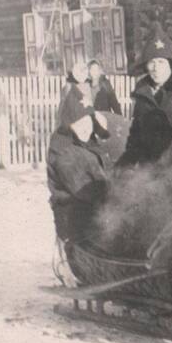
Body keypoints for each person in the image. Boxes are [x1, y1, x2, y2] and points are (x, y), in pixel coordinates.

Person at [46, 95, 110, 262]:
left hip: (91, 214)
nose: (84, 128)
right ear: (68, 123)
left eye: (88, 121)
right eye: (77, 122)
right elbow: (87, 191)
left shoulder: (85, 142)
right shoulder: (64, 152)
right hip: (76, 225)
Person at [116, 22, 172, 168]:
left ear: (170, 65)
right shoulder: (143, 94)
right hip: (149, 170)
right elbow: (136, 134)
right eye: (151, 62)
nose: (156, 68)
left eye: (161, 62)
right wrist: (126, 163)